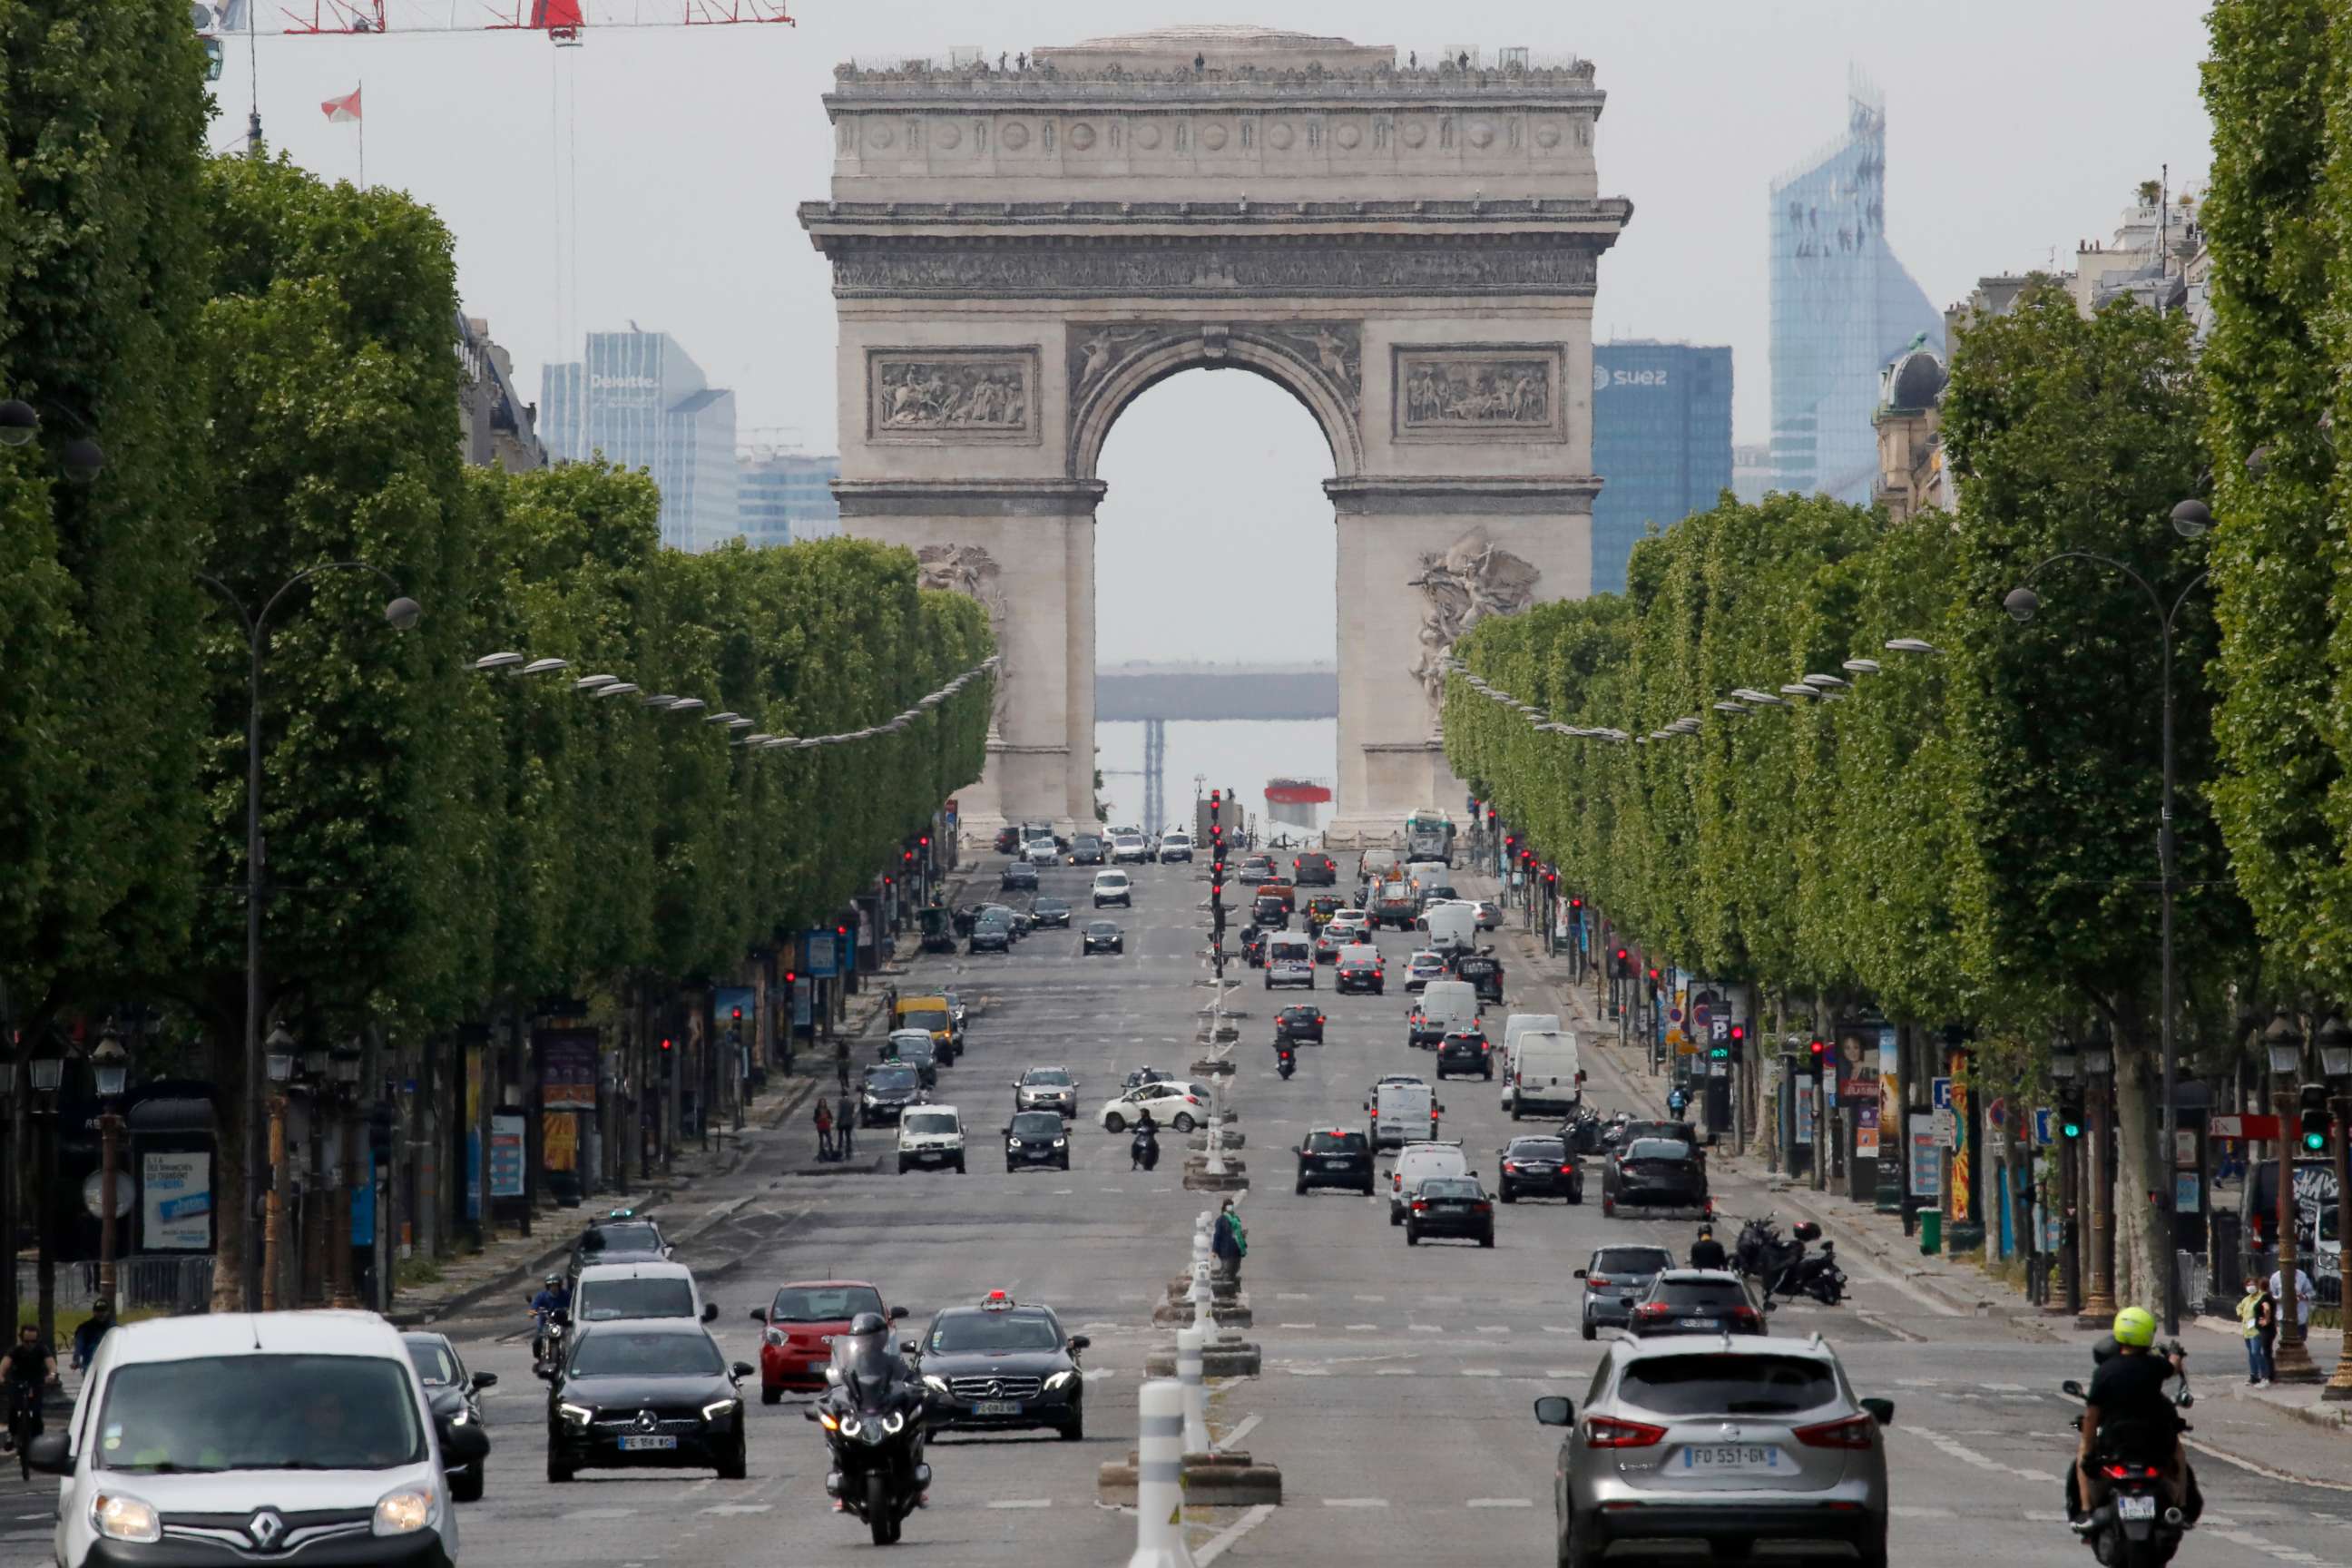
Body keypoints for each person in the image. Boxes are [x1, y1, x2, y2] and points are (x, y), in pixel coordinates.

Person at [2073, 1307, 2189, 1523]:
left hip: (2115, 1439)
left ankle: (2086, 1509)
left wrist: (2089, 1453)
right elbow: (2173, 1367)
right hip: (2153, 1439)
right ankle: (2181, 1506)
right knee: (2179, 1454)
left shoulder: (2104, 1372)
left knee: (2080, 1452)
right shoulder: (2154, 1365)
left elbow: (2091, 1415)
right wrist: (2175, 1354)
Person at [3, 1325, 56, 1453]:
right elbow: (5, 1363)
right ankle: (11, 1434)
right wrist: (1, 1376)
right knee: (14, 1408)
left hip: (36, 1381)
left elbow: (51, 1363)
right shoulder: (15, 1350)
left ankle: (38, 1438)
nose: (30, 1345)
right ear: (21, 1339)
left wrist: (52, 1375)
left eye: (33, 1341)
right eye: (26, 1342)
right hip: (18, 1381)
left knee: (36, 1412)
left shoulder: (42, 1349)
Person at [2239, 1277, 2276, 1387]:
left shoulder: (2261, 1297)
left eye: (2253, 1284)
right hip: (2247, 1329)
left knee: (2256, 1352)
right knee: (2251, 1354)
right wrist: (2241, 1313)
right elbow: (2239, 1307)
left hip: (2257, 1330)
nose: (2250, 1287)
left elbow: (2267, 1308)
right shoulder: (2246, 1299)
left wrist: (2266, 1319)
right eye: (2248, 1285)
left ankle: (2264, 1375)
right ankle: (2254, 1376)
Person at [2270, 1261, 2317, 1336]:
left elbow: (2310, 1292)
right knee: (2286, 1339)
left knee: (2301, 1338)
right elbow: (2271, 1294)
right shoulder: (2275, 1277)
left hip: (2299, 1313)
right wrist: (2279, 1299)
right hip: (2284, 1314)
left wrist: (2303, 1297)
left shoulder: (2302, 1276)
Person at [71, 1298, 114, 1372]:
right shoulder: (85, 1328)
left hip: (110, 1366)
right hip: (90, 1366)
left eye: (103, 1311)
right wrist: (76, 1360)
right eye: (98, 1311)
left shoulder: (114, 1328)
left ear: (108, 1312)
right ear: (94, 1312)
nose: (101, 1314)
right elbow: (79, 1345)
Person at [1212, 1199, 1247, 1287]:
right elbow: (1217, 1236)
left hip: (1237, 1250)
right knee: (1227, 1271)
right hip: (1226, 1251)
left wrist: (1242, 1234)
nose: (1230, 1208)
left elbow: (1237, 1233)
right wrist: (1214, 1250)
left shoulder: (1236, 1219)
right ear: (1224, 1207)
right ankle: (1224, 1290)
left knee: (1235, 1269)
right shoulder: (1221, 1220)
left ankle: (1231, 1290)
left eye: (1231, 1205)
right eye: (1229, 1206)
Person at [835, 1089, 857, 1159]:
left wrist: (837, 1122)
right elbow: (852, 1112)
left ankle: (840, 1147)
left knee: (840, 1135)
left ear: (841, 1094)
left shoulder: (840, 1101)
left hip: (841, 1121)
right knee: (848, 1136)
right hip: (849, 1121)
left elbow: (840, 1113)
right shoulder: (851, 1101)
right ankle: (848, 1148)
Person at [814, 1095, 836, 1161]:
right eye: (821, 1102)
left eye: (823, 1102)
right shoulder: (817, 1110)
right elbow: (815, 1119)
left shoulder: (827, 1110)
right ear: (819, 1103)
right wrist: (819, 1119)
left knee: (829, 1138)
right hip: (820, 1127)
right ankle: (821, 1152)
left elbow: (831, 1118)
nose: (822, 1104)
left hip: (826, 1126)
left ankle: (831, 1151)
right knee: (821, 1140)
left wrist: (830, 1120)